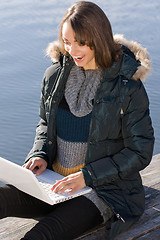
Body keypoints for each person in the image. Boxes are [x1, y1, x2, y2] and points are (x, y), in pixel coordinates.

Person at [0, 1, 154, 239]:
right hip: (54, 185)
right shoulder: (55, 75)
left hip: (102, 191)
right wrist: (39, 154)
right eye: (67, 41)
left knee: (40, 236)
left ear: (99, 38)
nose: (72, 49)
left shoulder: (126, 87)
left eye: (81, 43)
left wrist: (87, 177)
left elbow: (141, 150)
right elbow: (44, 124)